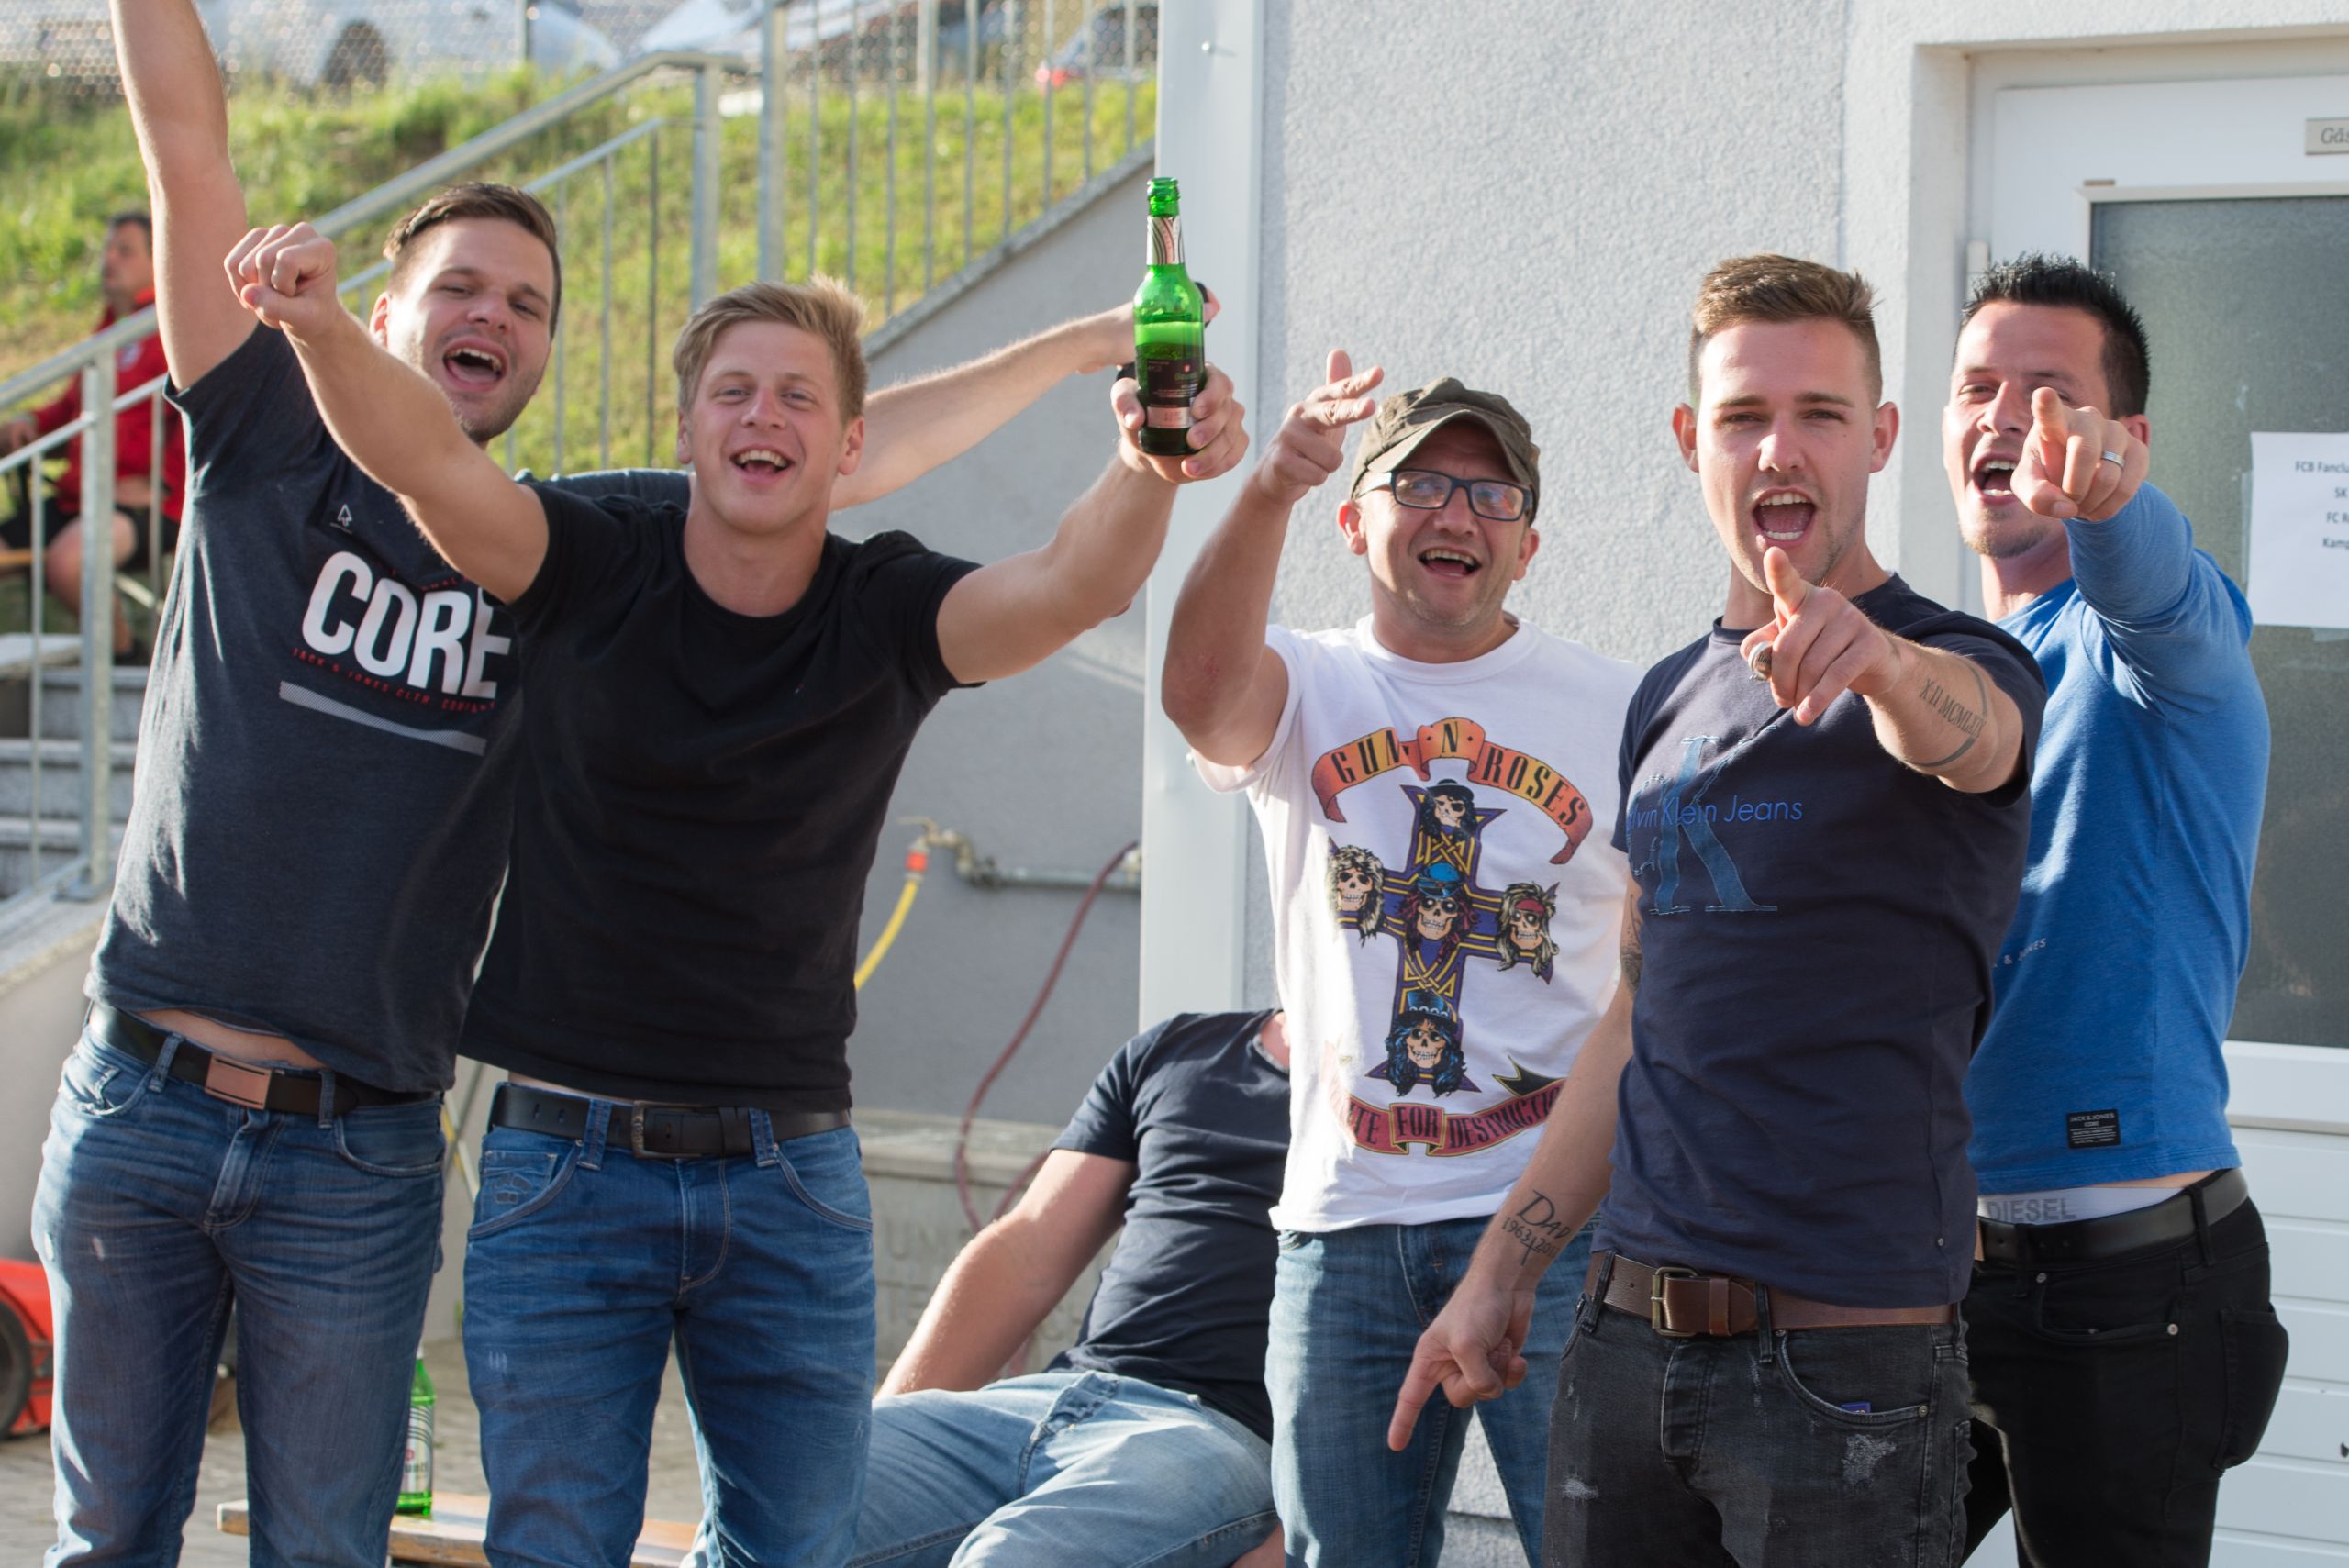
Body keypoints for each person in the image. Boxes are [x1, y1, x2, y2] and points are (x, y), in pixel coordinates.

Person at [32, 6, 1188, 1564]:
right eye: (460, 287)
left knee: (328, 1544)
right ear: (381, 307)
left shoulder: (569, 546)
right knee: (108, 1530)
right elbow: (187, 146)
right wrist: (300, 322)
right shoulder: (265, 429)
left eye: (528, 303)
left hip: (365, 1134)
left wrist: (1082, 350)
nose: (492, 316)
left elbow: (833, 452)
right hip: (144, 1096)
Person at [227, 216, 1245, 1566]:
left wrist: (1145, 462)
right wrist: (318, 329)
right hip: (562, 1168)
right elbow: (421, 457)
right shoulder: (583, 560)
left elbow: (1073, 585)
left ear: (849, 446)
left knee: (799, 1550)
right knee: (554, 1548)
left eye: (798, 397)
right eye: (733, 392)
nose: (763, 417)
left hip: (789, 1180)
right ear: (688, 430)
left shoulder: (887, 609)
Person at [1394, 254, 2047, 1568]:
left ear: (1880, 436)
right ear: (1693, 440)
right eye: (1744, 416)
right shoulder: (1666, 700)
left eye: (1819, 414)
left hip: (1846, 1365)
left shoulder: (1962, 663)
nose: (1778, 449)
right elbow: (1638, 1012)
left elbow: (1974, 739)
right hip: (1624, 1350)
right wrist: (1503, 1269)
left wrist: (1882, 663)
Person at [1162, 357, 1638, 1563]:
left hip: (1556, 1221)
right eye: (1420, 484)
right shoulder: (1304, 685)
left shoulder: (1621, 708)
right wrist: (1265, 485)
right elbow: (1197, 696)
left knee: (1602, 1546)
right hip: (1345, 1225)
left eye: (1492, 495)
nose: (1456, 516)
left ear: (1528, 544)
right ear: (1352, 520)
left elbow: (1665, 975)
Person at [1943, 254, 2287, 1567]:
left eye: (2048, 392)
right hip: (1937, 1267)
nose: (2005, 417)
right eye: (1979, 386)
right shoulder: (1945, 670)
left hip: (2130, 1295)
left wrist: (2111, 505)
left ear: (2124, 435)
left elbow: (2159, 587)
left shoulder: (2158, 643)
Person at [850, 1008, 1290, 1568]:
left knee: (1010, 1559)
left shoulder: (1393, 1101)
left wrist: (1297, 1541)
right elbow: (1026, 1249)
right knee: (789, 1499)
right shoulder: (1175, 1050)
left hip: (1214, 1436)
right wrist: (893, 1428)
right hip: (1043, 1401)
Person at [0, 210, 184, 651]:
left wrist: (162, 484)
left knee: (70, 562)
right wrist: (30, 424)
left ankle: (124, 658)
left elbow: (195, 411)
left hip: (143, 502)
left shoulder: (174, 328)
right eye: (108, 249)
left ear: (156, 261)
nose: (109, 259)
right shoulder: (108, 330)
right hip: (80, 497)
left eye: (125, 251)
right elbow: (70, 409)